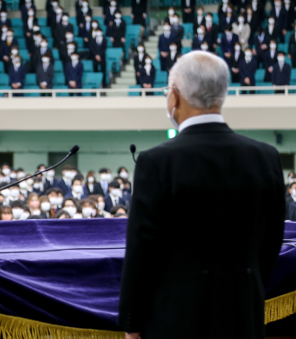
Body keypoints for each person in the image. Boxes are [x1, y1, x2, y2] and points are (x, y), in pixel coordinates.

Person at [119, 51, 285, 339]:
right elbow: (271, 244)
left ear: (175, 96)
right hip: (243, 314)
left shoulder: (156, 162)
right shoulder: (266, 157)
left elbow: (142, 252)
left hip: (176, 318)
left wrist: (131, 322)